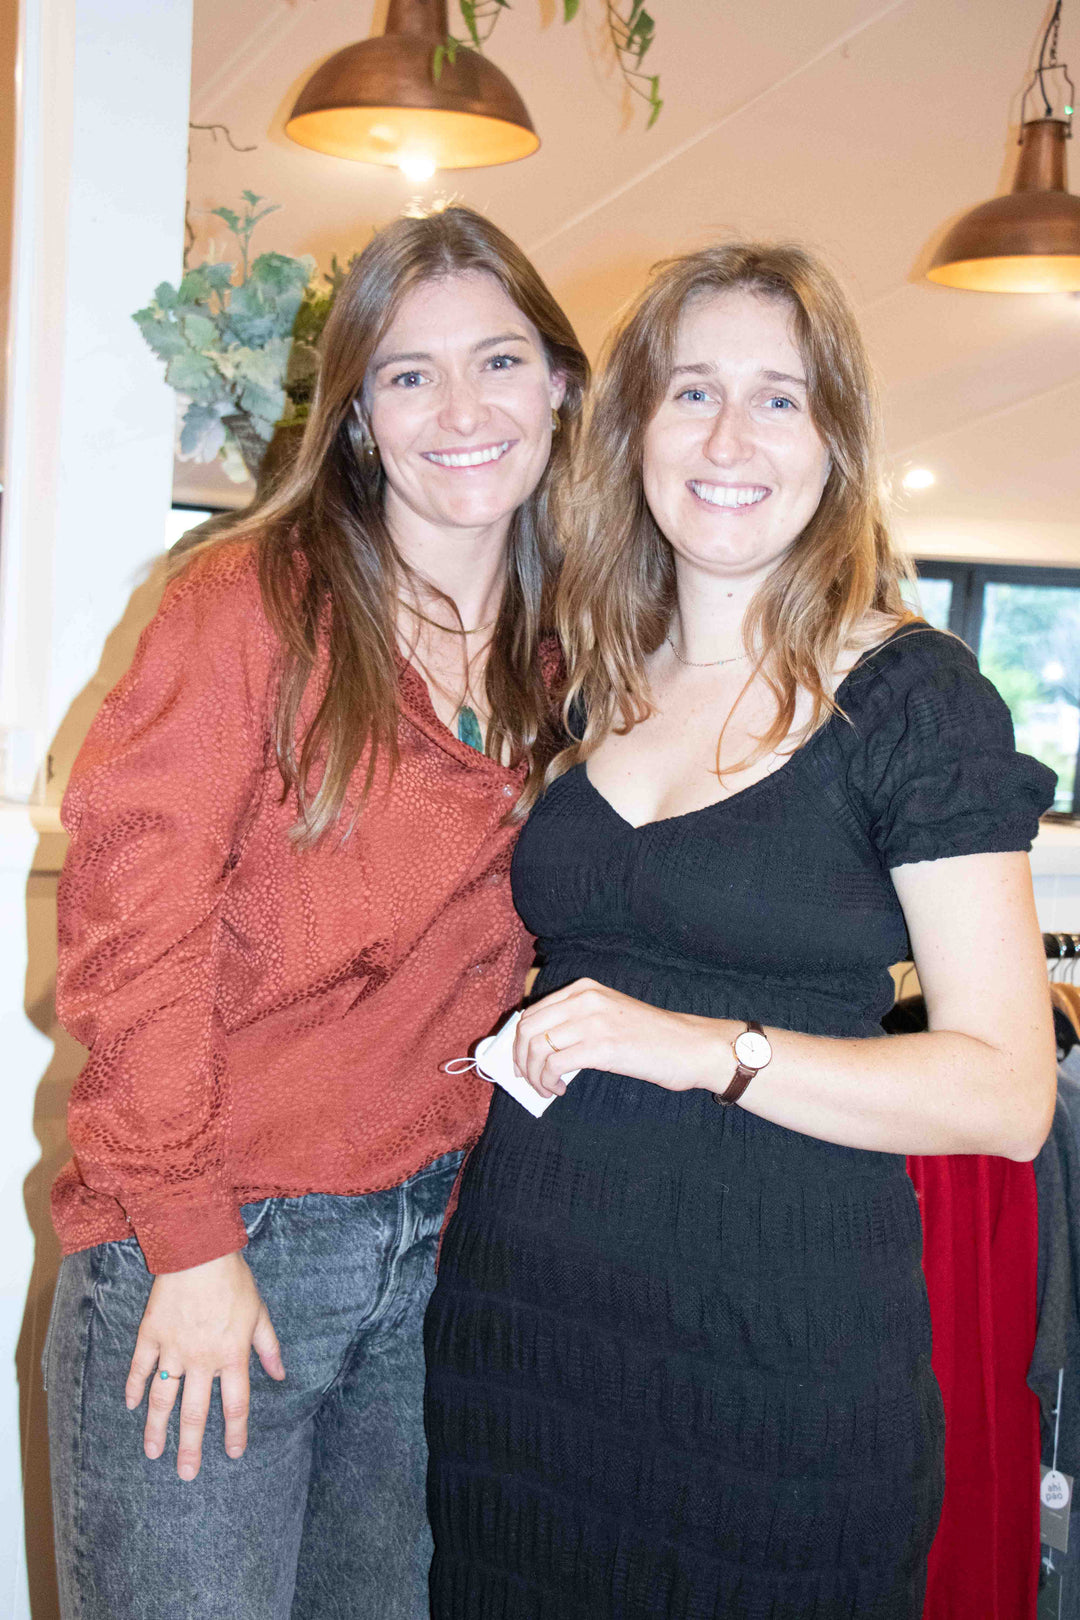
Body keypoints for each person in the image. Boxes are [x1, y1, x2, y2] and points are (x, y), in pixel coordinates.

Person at [424, 241, 1058, 1618]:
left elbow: (1010, 1096)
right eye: (693, 392)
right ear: (635, 428)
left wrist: (703, 1047)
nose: (728, 439)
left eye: (779, 398)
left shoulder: (911, 700)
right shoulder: (585, 679)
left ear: (836, 442)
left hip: (781, 1356)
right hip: (526, 1334)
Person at [44, 203, 587, 1620]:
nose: (461, 410)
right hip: (224, 1235)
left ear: (559, 386)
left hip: (444, 1250)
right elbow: (134, 929)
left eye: (499, 361)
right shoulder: (253, 604)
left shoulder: (576, 647)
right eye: (410, 374)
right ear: (357, 416)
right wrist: (189, 1238)